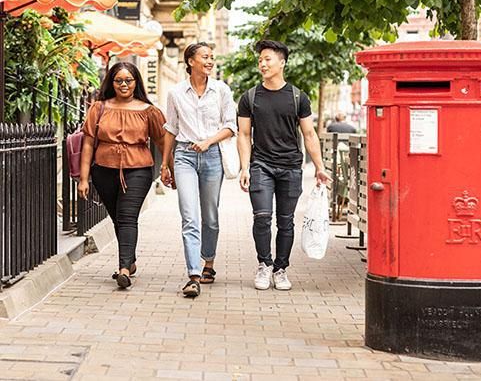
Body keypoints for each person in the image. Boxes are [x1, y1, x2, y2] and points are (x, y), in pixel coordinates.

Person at [237, 40, 332, 291]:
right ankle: (264, 265)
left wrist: (319, 167)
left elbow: (309, 134)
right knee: (262, 217)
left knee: (286, 221)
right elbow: (244, 135)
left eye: (267, 59)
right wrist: (245, 167)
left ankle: (280, 269)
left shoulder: (298, 97)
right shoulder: (250, 97)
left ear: (282, 63)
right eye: (260, 60)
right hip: (261, 165)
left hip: (290, 166)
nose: (262, 64)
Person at [78, 62, 166, 289]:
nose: (124, 85)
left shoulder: (149, 111)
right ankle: (131, 261)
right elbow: (88, 143)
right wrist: (84, 178)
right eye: (119, 81)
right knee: (118, 217)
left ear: (136, 82)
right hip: (103, 170)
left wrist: (168, 167)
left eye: (129, 80)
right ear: (112, 82)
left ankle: (124, 269)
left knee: (127, 217)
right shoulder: (99, 108)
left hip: (138, 169)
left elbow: (162, 141)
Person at [161, 42, 237, 298]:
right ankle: (193, 274)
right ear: (190, 61)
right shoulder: (175, 92)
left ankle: (209, 262)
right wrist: (165, 164)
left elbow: (230, 127)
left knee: (210, 216)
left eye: (212, 57)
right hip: (184, 155)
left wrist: (208, 142)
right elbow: (171, 128)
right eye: (205, 57)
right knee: (189, 216)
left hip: (212, 155)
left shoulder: (221, 91)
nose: (210, 61)